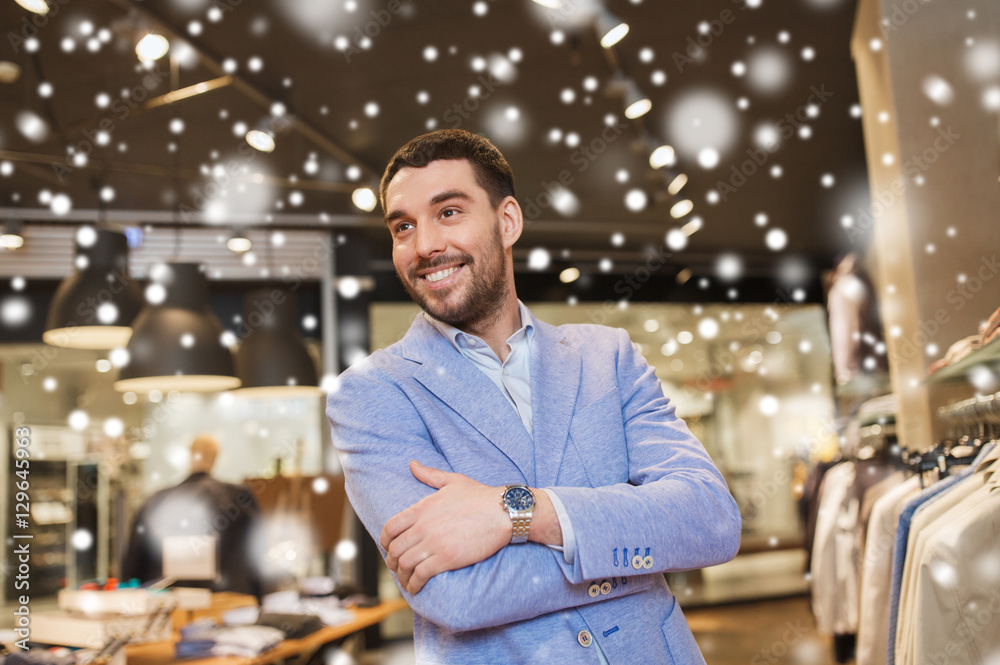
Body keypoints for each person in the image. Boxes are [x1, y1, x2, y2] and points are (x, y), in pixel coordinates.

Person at [326, 129, 741, 664]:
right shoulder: (371, 395)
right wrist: (633, 552)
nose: (424, 244)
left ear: (508, 222)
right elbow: (456, 593)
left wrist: (516, 512)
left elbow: (709, 520)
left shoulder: (607, 358)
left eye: (448, 212)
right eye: (403, 226)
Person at [121, 434, 265, 597]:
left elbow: (133, 564)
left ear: (190, 454)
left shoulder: (156, 501)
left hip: (167, 605)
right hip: (226, 605)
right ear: (216, 457)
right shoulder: (240, 498)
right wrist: (261, 600)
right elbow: (258, 553)